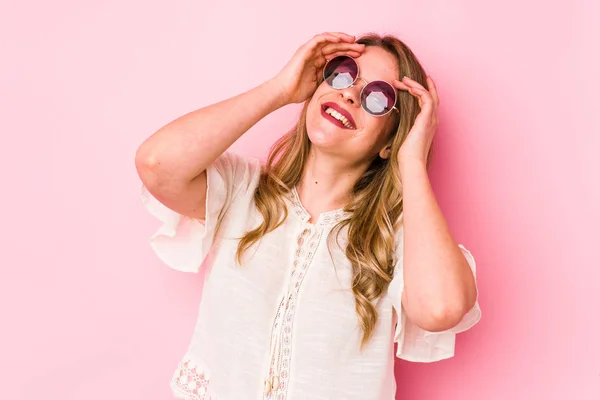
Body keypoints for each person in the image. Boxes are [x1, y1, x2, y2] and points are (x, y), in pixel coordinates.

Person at [135, 31, 482, 400]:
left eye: (377, 98)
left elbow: (441, 308)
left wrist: (410, 160)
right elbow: (157, 164)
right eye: (343, 73)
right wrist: (280, 90)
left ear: (389, 142)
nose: (349, 93)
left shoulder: (394, 239)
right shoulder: (243, 192)